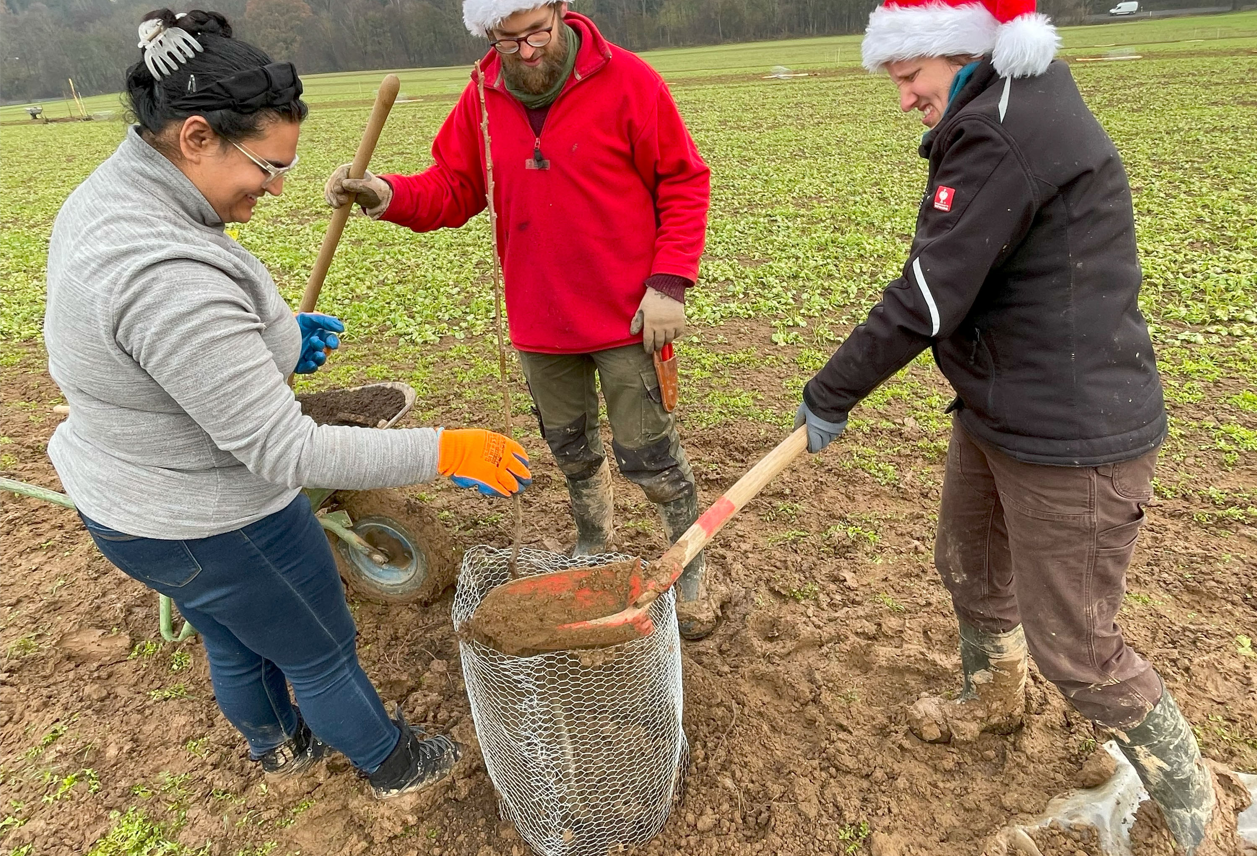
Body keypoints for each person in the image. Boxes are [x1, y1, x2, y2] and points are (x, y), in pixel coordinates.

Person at [792, 0, 1249, 851]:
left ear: (961, 50)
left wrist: (831, 392)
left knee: (1079, 651)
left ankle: (1202, 817)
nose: (903, 97)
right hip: (1004, 405)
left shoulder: (1001, 130)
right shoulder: (1002, 105)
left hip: (1071, 434)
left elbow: (927, 296)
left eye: (909, 76)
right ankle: (992, 698)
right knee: (968, 563)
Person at [43, 9, 531, 800]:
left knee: (235, 637)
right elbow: (285, 450)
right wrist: (445, 449)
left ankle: (277, 746)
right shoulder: (167, 279)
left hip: (128, 508)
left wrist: (267, 343)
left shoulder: (114, 196)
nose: (274, 187)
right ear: (196, 137)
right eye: (267, 166)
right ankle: (394, 764)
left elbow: (156, 350)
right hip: (217, 519)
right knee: (320, 651)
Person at [322, 0, 716, 639]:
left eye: (538, 32)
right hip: (539, 319)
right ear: (488, 34)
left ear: (560, 9)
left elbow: (683, 180)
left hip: (629, 314)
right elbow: (454, 188)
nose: (528, 51)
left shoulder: (628, 81)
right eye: (510, 41)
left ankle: (690, 566)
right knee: (571, 449)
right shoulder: (481, 98)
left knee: (649, 454)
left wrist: (669, 281)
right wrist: (387, 193)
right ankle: (593, 543)